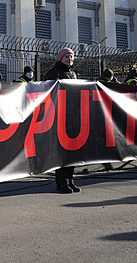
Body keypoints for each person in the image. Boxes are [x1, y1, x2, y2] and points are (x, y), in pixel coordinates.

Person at [43, 47, 81, 193]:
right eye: (67, 57)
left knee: (73, 150)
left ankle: (70, 179)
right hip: (59, 116)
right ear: (60, 58)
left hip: (72, 115)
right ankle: (61, 182)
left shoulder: (73, 74)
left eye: (71, 57)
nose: (70, 59)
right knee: (62, 152)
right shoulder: (53, 73)